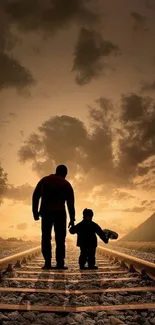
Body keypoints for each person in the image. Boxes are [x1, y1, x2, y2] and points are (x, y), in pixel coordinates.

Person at [32, 164, 75, 270]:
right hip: (60, 213)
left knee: (46, 237)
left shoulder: (44, 180)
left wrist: (35, 212)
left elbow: (35, 196)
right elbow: (70, 203)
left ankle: (47, 263)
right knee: (60, 239)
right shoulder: (66, 184)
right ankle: (60, 263)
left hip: (46, 213)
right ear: (65, 174)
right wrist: (72, 219)